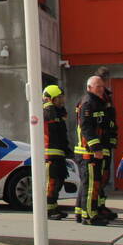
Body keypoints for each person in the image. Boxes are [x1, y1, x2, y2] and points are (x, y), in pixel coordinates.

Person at [74, 75, 111, 226]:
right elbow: (86, 127)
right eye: (98, 87)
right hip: (88, 152)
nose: (101, 89)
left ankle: (80, 212)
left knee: (87, 184)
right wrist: (96, 148)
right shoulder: (88, 103)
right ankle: (89, 216)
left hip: (90, 151)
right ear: (89, 88)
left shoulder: (97, 102)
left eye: (102, 86)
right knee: (91, 185)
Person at [94, 66, 118, 221]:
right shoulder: (94, 99)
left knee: (104, 176)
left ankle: (101, 205)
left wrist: (113, 138)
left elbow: (111, 120)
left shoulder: (107, 97)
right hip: (99, 144)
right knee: (98, 178)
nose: (106, 83)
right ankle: (95, 207)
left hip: (107, 142)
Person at [43, 85, 70, 220]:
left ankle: (53, 206)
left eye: (62, 98)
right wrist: (48, 103)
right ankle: (48, 210)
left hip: (59, 154)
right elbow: (49, 116)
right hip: (50, 155)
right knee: (52, 183)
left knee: (59, 181)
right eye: (58, 98)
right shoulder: (47, 111)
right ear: (51, 99)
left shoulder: (58, 113)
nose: (62, 101)